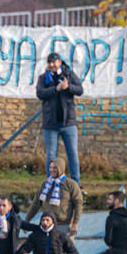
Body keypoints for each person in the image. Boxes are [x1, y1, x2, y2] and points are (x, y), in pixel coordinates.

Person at [36, 52, 84, 183]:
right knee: (51, 155)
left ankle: (76, 183)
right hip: (50, 123)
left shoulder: (68, 75)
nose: (52, 65)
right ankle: (51, 182)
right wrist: (55, 89)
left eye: (54, 62)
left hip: (68, 122)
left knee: (72, 153)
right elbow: (40, 93)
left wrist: (68, 87)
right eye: (49, 62)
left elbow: (80, 90)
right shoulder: (43, 78)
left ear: (60, 62)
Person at [25, 157, 82, 241]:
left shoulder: (71, 184)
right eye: (50, 167)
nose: (52, 170)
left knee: (66, 252)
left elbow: (78, 204)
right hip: (46, 226)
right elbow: (36, 203)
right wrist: (27, 221)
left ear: (61, 168)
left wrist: (75, 223)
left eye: (55, 167)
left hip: (64, 225)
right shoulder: (46, 184)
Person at [102, 190, 127, 254]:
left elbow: (108, 240)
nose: (107, 201)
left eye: (110, 199)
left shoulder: (111, 218)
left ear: (116, 201)